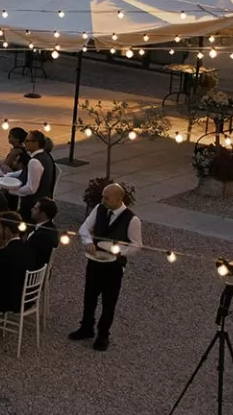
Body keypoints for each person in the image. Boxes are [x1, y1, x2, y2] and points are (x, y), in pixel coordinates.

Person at [70, 183, 142, 352]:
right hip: (95, 261)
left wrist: (118, 250)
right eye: (103, 196)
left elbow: (137, 245)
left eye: (106, 197)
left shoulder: (132, 220)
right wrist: (88, 242)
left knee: (109, 302)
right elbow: (85, 228)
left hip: (114, 267)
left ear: (119, 199)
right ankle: (86, 327)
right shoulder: (99, 209)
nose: (103, 200)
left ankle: (103, 335)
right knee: (89, 296)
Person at [10, 130, 59, 219]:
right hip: (42, 201)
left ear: (35, 143)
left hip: (32, 206)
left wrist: (12, 191)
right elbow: (27, 172)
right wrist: (9, 175)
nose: (24, 143)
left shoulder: (34, 161)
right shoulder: (46, 156)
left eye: (27, 141)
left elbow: (31, 189)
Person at [26, 198, 60, 270]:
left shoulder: (42, 236)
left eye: (35, 209)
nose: (31, 210)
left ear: (43, 214)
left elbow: (28, 256)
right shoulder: (52, 228)